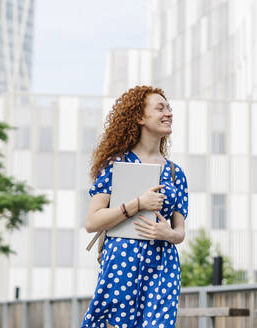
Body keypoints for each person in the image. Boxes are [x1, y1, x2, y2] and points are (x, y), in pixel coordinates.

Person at [80, 86, 189, 328]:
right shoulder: (115, 165)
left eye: (169, 108)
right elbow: (92, 222)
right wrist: (138, 204)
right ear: (140, 117)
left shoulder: (175, 173)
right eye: (160, 108)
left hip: (162, 264)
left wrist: (169, 234)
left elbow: (180, 231)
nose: (168, 113)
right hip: (121, 263)